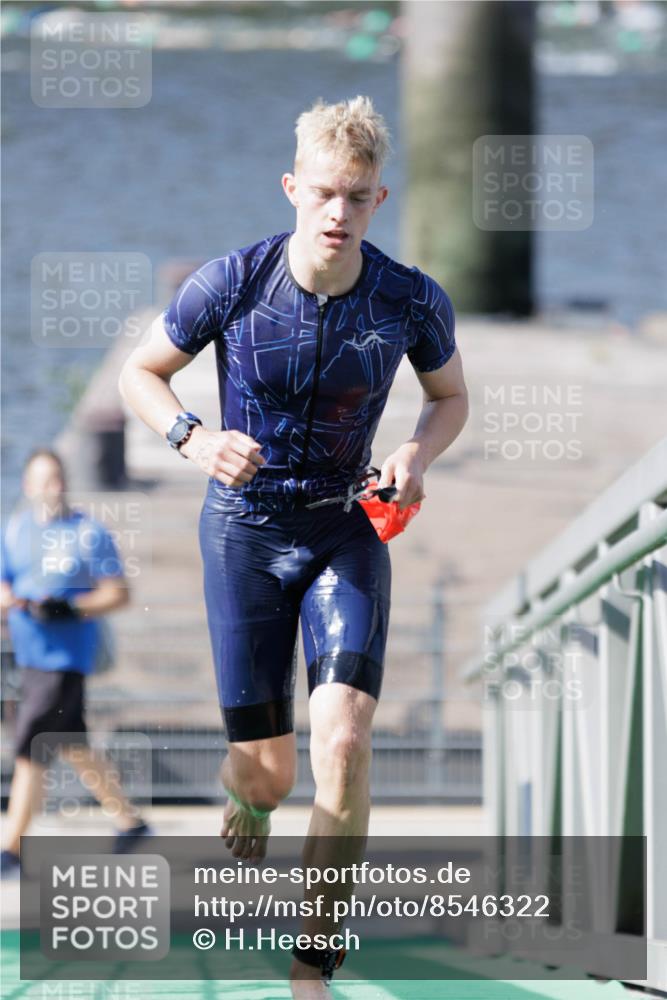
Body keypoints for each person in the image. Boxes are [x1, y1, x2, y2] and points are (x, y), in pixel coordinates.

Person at [119, 96, 468, 995]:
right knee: (269, 777)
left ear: (378, 197)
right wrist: (193, 438)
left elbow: (448, 397)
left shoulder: (408, 298)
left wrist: (415, 453)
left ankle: (312, 961)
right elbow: (141, 373)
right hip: (242, 531)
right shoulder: (231, 282)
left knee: (343, 741)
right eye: (321, 193)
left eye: (355, 196)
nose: (336, 213)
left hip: (343, 528)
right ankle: (249, 793)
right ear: (291, 188)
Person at [0, 449, 151, 877]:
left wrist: (70, 607)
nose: (54, 487)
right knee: (72, 743)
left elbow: (118, 593)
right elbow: (4, 585)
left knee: (31, 744)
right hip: (29, 655)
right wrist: (13, 601)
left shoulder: (89, 532)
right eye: (45, 480)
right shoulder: (16, 530)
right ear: (29, 486)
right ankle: (130, 821)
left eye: (59, 478)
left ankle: (11, 848)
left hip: (66, 659)